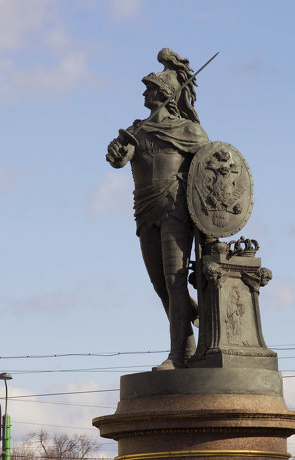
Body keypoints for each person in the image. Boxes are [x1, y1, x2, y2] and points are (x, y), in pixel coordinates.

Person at [106, 49, 210, 369]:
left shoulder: (188, 131)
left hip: (174, 210)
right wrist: (115, 151)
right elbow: (119, 159)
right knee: (161, 285)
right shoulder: (137, 131)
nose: (143, 93)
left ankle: (177, 355)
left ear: (164, 94)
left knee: (175, 280)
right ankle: (187, 343)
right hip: (145, 211)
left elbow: (213, 168)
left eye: (149, 88)